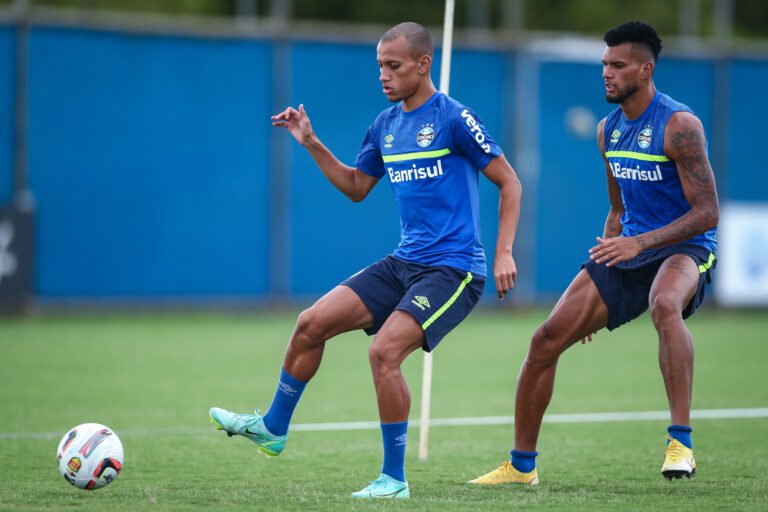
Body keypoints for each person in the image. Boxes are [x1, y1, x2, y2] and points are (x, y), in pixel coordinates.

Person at [210, 21, 522, 499]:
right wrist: (311, 143)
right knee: (310, 322)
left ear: (423, 64)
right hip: (404, 262)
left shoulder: (455, 118)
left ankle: (393, 480)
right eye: (380, 65)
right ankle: (273, 427)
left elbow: (510, 182)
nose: (384, 75)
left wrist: (503, 251)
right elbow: (357, 187)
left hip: (454, 270)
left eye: (393, 66)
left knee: (383, 352)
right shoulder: (385, 124)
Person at [469, 20, 718, 486]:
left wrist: (641, 242)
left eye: (618, 65)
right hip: (629, 249)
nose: (606, 73)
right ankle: (522, 467)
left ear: (645, 70)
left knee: (665, 304)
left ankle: (680, 445)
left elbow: (707, 213)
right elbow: (618, 207)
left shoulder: (680, 125)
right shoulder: (608, 130)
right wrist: (600, 277)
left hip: (684, 248)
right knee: (546, 339)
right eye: (604, 64)